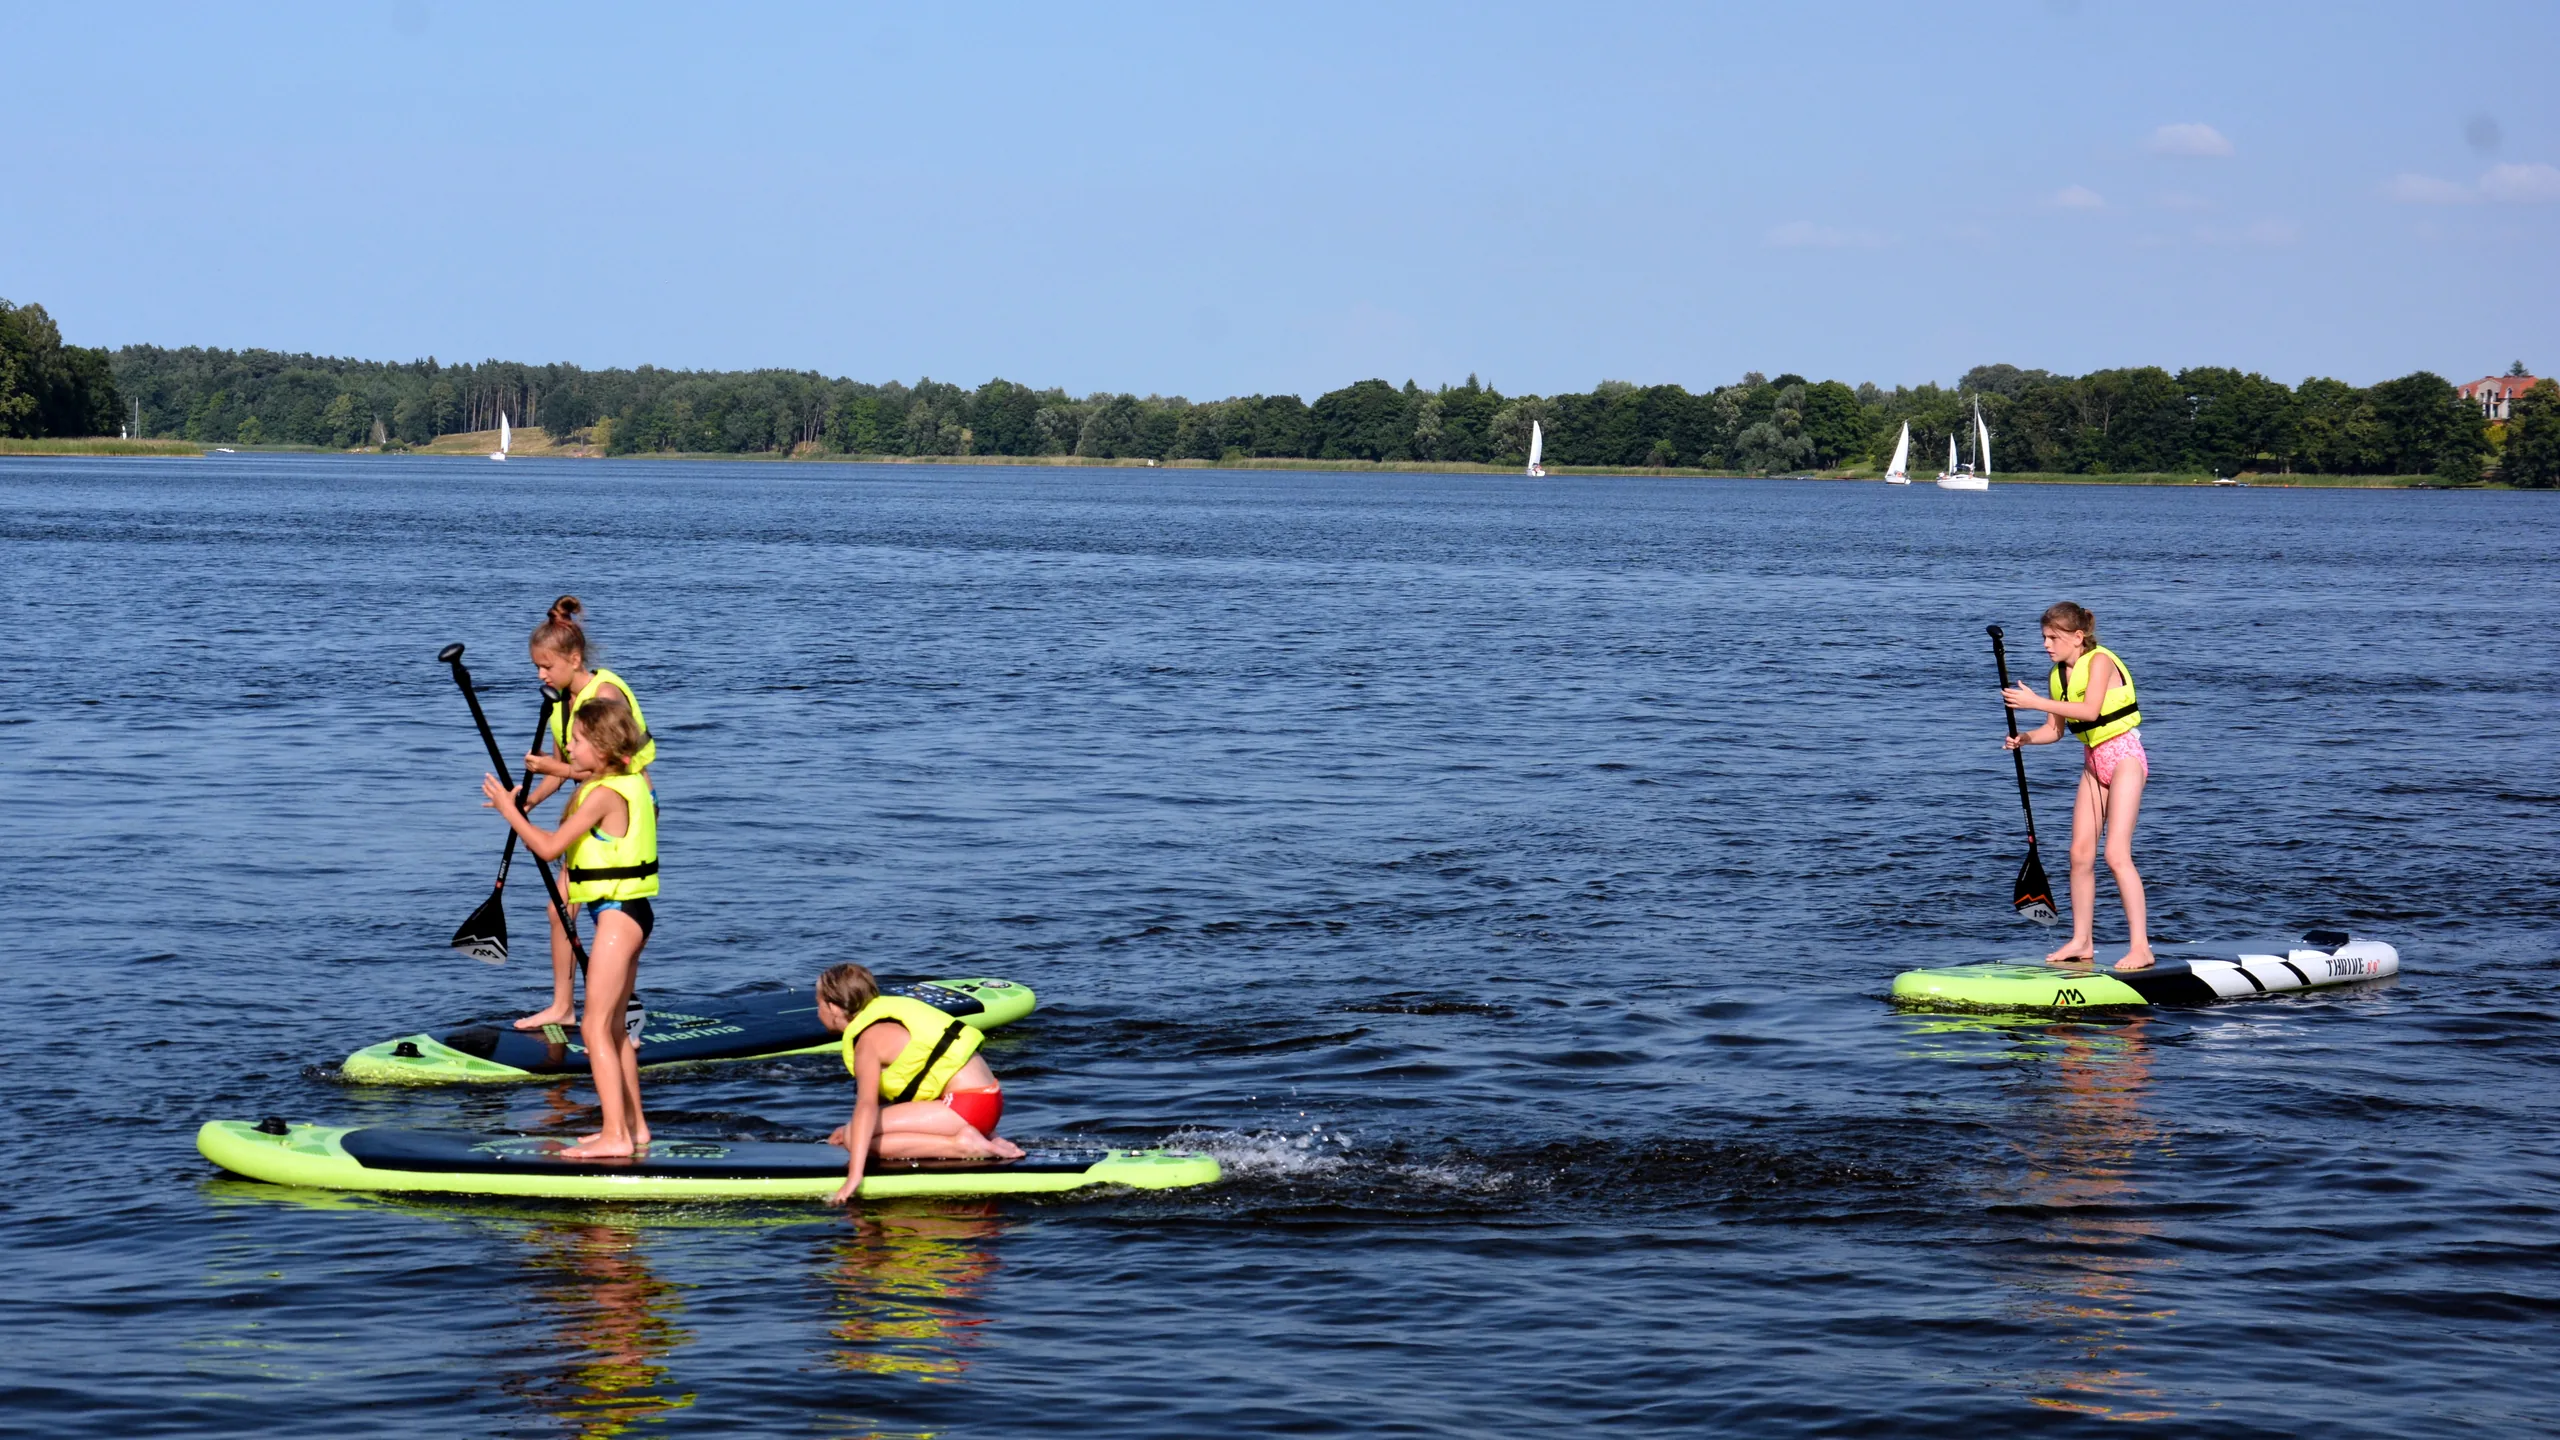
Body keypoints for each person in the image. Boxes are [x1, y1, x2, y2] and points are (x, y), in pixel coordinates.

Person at [484, 692, 658, 1158]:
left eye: (579, 740)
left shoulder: (603, 795)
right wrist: (545, 782)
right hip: (632, 914)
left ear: (601, 749)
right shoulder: (631, 782)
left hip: (617, 919)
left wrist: (510, 810)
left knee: (598, 1029)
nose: (572, 749)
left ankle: (615, 1137)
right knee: (617, 1029)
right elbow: (580, 775)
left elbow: (547, 847)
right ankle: (635, 1129)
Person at [514, 595, 658, 1031]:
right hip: (587, 803)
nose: (540, 675)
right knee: (560, 910)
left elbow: (616, 764)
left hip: (622, 809)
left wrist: (554, 767)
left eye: (547, 667)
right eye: (537, 667)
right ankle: (563, 1006)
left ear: (574, 659)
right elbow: (565, 771)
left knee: (602, 907)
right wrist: (527, 799)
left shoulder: (605, 695)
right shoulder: (561, 702)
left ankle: (614, 1011)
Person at [2001, 601, 2152, 971]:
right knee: (2079, 855)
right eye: (2044, 638)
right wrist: (2024, 738)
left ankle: (2141, 947)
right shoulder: (2059, 675)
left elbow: (2091, 712)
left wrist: (2034, 702)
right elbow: (2054, 731)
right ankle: (2082, 940)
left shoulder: (2099, 661)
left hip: (2124, 758)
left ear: (2078, 636)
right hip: (2092, 763)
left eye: (2054, 637)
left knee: (2116, 854)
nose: (2047, 645)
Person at [814, 963, 1023, 1205]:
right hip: (987, 1101)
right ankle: (985, 1136)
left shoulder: (867, 1042)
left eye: (818, 1004)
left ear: (832, 1007)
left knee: (854, 1138)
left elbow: (867, 1106)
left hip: (966, 1107)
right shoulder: (890, 1017)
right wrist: (851, 1128)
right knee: (854, 1131)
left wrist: (854, 1175)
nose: (817, 1012)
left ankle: (963, 1145)